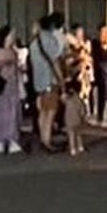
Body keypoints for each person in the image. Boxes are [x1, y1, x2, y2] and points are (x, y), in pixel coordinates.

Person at [29, 14, 66, 152]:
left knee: (42, 112)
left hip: (38, 81)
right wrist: (62, 81)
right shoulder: (49, 39)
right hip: (50, 79)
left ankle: (43, 139)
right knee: (51, 111)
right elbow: (55, 61)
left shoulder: (34, 42)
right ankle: (47, 140)